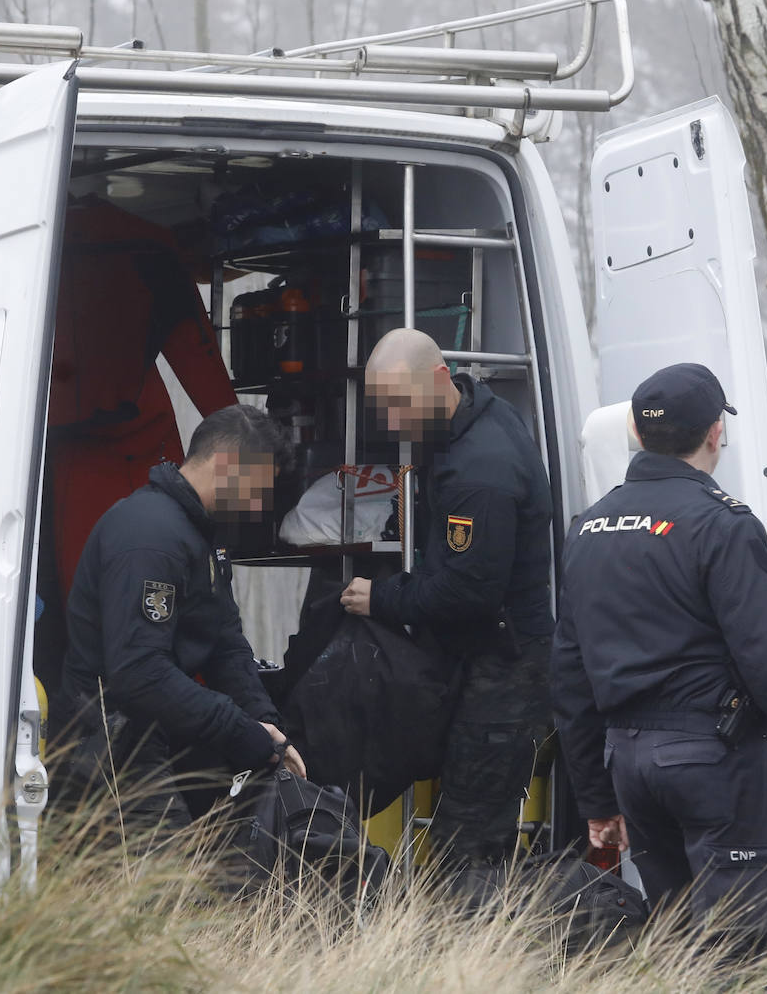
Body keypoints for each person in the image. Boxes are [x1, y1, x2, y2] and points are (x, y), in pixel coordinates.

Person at [552, 362, 767, 958]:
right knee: (737, 948)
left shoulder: (587, 530)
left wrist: (598, 800)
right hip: (712, 765)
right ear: (714, 434)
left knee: (676, 944)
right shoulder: (723, 526)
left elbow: (571, 678)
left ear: (640, 435)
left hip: (629, 766)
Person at [340, 328, 555, 871]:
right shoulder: (470, 418)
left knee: (470, 845)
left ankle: (477, 950)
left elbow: (470, 590)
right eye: (381, 407)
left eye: (398, 404)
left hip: (504, 671)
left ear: (438, 381)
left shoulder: (481, 469)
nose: (390, 422)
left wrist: (382, 598)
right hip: (481, 660)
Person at [53, 403, 306, 833]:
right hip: (107, 748)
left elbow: (226, 644)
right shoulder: (149, 537)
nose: (262, 506)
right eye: (259, 489)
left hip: (155, 736)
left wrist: (270, 733)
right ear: (227, 465)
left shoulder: (197, 535)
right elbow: (139, 672)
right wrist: (239, 730)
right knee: (175, 895)